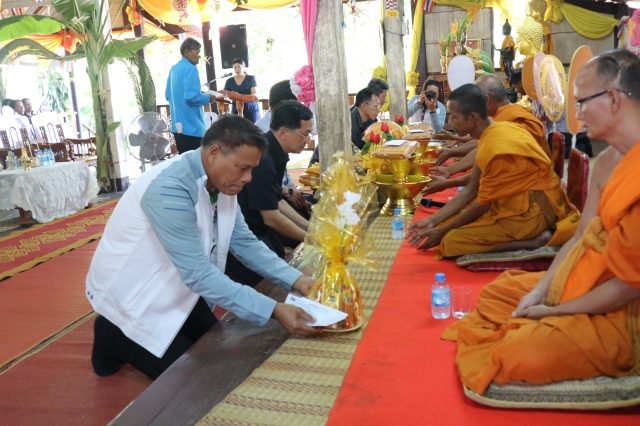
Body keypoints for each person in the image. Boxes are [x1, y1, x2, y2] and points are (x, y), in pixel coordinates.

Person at [442, 49, 640, 396]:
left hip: (623, 310)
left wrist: (559, 312)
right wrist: (542, 291)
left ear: (612, 99)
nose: (576, 114)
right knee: (497, 294)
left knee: (516, 354)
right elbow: (580, 236)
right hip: (582, 279)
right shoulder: (609, 161)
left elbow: (629, 286)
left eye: (581, 102)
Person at [87, 114, 320, 380]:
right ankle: (112, 329)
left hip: (179, 281)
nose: (248, 178)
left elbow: (244, 242)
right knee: (193, 382)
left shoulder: (220, 179)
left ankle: (115, 329)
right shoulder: (169, 189)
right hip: (136, 293)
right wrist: (274, 310)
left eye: (251, 169)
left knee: (219, 358)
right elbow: (198, 274)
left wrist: (297, 280)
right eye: (242, 168)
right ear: (214, 153)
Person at [407, 84, 579, 259]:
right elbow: (471, 190)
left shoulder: (495, 144)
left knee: (451, 241)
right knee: (443, 225)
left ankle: (535, 241)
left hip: (531, 214)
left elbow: (482, 204)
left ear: (472, 117)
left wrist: (442, 231)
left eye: (455, 117)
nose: (451, 123)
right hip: (512, 203)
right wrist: (432, 221)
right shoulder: (490, 135)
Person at [225, 101, 313, 287]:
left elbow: (277, 201)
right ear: (284, 132)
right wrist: (312, 239)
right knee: (270, 282)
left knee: (281, 255)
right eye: (305, 134)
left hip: (258, 225)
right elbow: (272, 217)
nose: (308, 140)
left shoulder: (275, 151)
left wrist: (312, 229)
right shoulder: (263, 159)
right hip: (243, 232)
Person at [426, 74, 550, 196]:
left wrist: (451, 167)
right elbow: (480, 146)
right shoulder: (499, 116)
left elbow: (495, 165)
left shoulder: (515, 120)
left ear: (486, 100)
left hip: (530, 194)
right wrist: (451, 158)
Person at [166, 37, 216, 154]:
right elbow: (191, 97)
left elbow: (168, 95)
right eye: (197, 53)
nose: (199, 56)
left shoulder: (174, 69)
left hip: (177, 126)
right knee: (196, 162)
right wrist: (208, 97)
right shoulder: (191, 69)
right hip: (191, 127)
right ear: (187, 52)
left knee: (185, 160)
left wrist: (199, 94)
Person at [223, 58, 260, 123]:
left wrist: (239, 96)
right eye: (234, 67)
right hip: (236, 111)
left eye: (239, 67)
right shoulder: (229, 81)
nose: (237, 69)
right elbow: (225, 96)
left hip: (251, 110)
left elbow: (255, 94)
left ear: (244, 66)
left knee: (253, 128)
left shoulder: (251, 78)